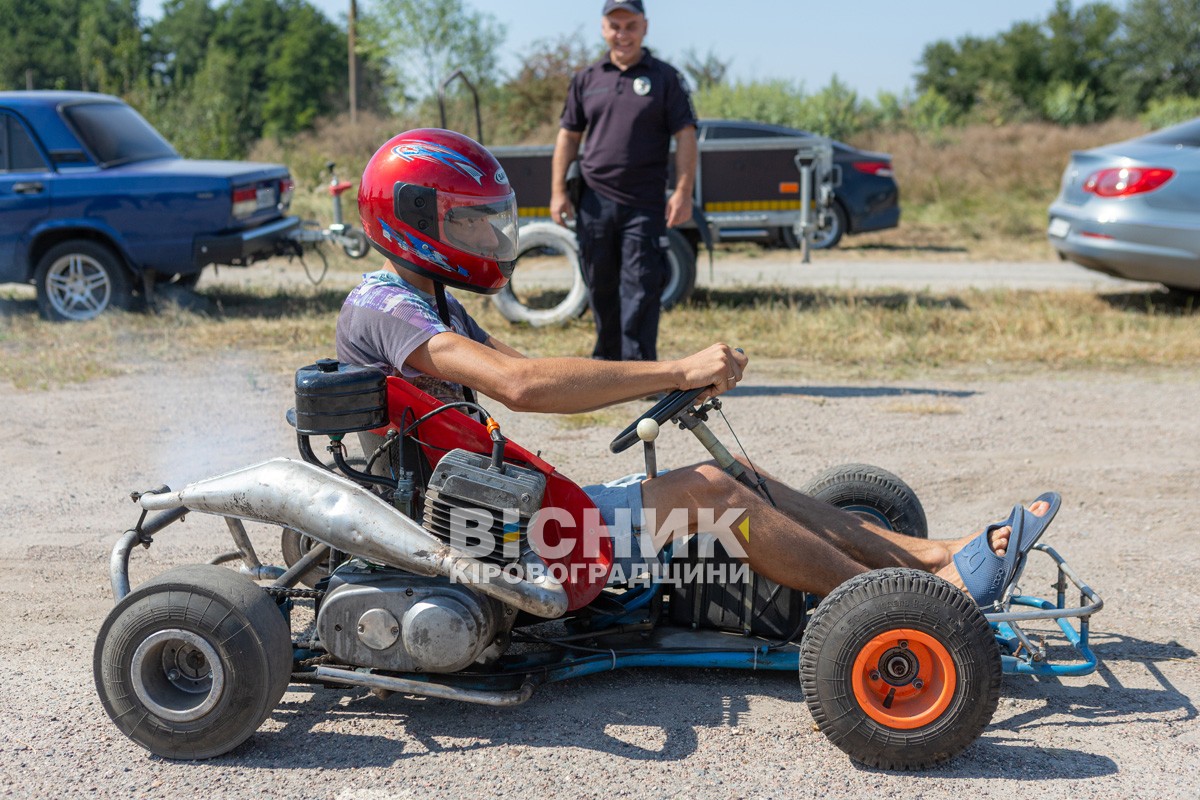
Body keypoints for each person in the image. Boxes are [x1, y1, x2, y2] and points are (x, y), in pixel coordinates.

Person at [338, 128, 1059, 608]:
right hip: (487, 541)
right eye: (470, 219)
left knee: (738, 477)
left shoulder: (424, 300)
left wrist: (664, 377)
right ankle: (910, 609)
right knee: (718, 492)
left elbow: (526, 368)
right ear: (414, 216)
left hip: (504, 514)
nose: (488, 233)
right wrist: (676, 370)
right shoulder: (384, 307)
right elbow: (520, 387)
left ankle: (935, 560)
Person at [549, 0, 698, 363]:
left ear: (645, 26)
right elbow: (568, 136)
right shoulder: (587, 79)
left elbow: (687, 135)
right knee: (600, 283)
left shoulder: (665, 78)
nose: (623, 34)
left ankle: (639, 366)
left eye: (630, 25)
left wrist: (683, 191)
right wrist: (557, 192)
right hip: (594, 201)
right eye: (615, 26)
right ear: (603, 28)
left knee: (642, 285)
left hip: (644, 203)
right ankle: (607, 363)